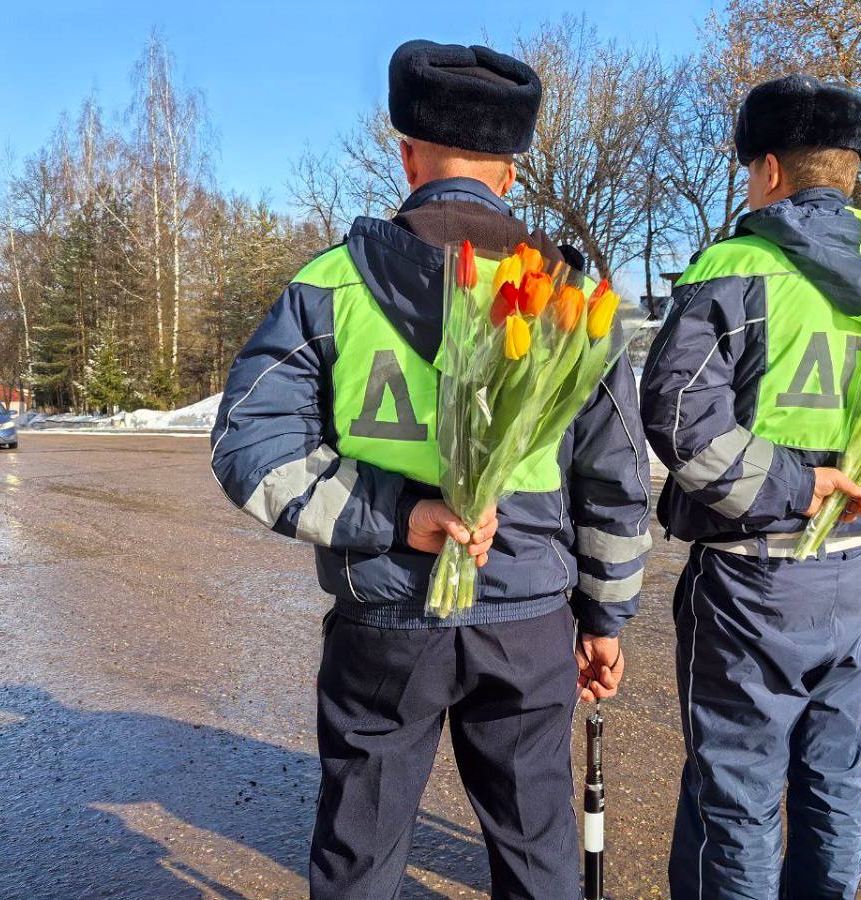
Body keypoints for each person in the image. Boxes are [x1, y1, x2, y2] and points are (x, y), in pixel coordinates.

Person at [210, 40, 651, 900]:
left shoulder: (329, 287)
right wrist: (605, 618)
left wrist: (393, 514)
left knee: (360, 855)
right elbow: (617, 482)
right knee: (538, 852)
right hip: (527, 622)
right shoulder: (573, 303)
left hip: (382, 619)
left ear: (407, 156)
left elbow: (248, 445)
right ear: (511, 174)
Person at [640, 73, 861, 900]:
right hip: (858, 574)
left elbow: (677, 416)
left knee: (735, 792)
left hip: (752, 578)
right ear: (849, 166)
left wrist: (798, 488)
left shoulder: (736, 265)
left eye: (749, 170)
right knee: (835, 777)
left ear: (769, 169)